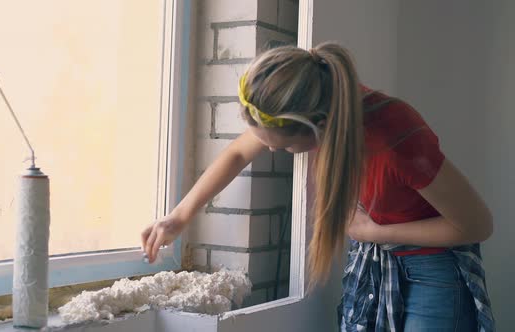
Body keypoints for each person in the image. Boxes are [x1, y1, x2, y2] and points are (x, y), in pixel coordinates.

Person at [140, 42, 495, 331]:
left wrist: (373, 232)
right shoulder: (316, 102)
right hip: (377, 258)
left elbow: (476, 224)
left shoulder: (396, 142)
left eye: (283, 145)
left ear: (319, 126)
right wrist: (179, 217)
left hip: (432, 270)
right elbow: (236, 154)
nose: (273, 150)